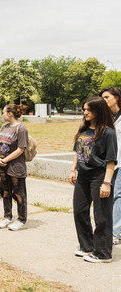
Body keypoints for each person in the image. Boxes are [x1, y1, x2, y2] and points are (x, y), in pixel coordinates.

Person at [70, 97, 117, 263]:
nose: (85, 112)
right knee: (79, 211)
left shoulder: (108, 133)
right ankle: (87, 246)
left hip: (99, 176)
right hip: (82, 176)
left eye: (89, 110)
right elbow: (78, 151)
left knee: (101, 215)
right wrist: (73, 169)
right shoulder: (84, 129)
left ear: (99, 111)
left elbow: (111, 160)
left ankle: (103, 253)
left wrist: (106, 183)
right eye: (84, 109)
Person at [0, 104, 29, 231]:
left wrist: (5, 159)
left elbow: (21, 149)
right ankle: (7, 216)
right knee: (5, 192)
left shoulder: (21, 129)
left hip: (16, 167)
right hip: (3, 166)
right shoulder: (4, 127)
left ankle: (21, 219)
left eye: (3, 112)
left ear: (10, 113)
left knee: (19, 193)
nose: (2, 115)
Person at [100, 87, 121, 245]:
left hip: (120, 162)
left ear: (117, 98)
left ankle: (116, 232)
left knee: (117, 196)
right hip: (108, 162)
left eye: (107, 97)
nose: (104, 100)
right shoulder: (106, 118)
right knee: (109, 196)